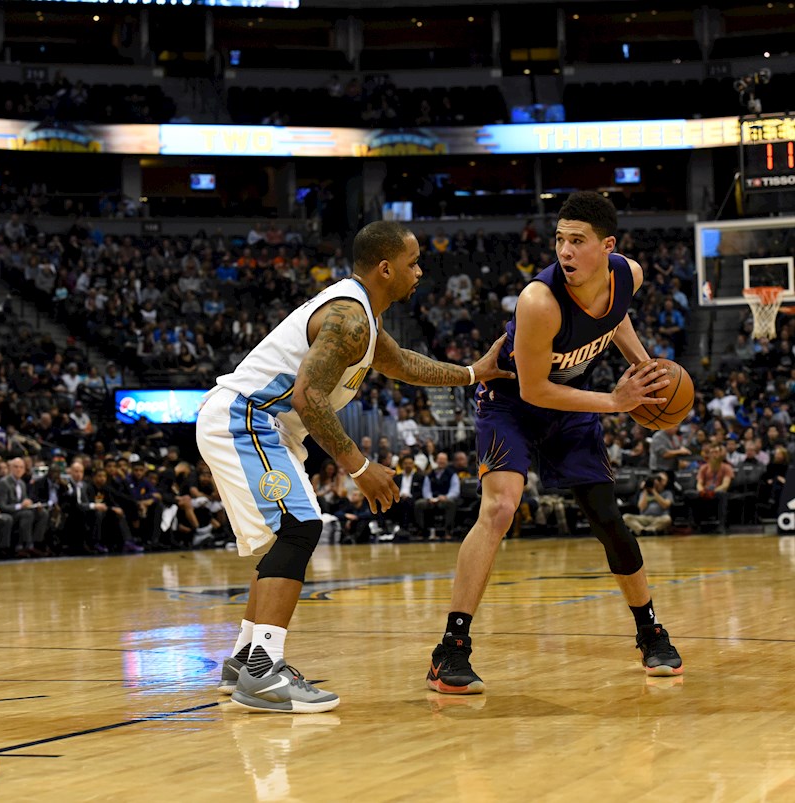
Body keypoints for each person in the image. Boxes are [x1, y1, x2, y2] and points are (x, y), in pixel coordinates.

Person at [197, 220, 513, 713]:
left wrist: (474, 371)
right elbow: (308, 395)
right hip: (248, 418)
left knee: (285, 536)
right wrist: (360, 467)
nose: (420, 271)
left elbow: (405, 365)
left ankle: (244, 660)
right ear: (385, 268)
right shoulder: (349, 317)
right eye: (413, 263)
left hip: (260, 424)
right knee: (299, 526)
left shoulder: (363, 315)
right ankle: (263, 669)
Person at [427, 191, 683, 697]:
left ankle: (650, 632)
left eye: (578, 241)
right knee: (499, 510)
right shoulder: (538, 301)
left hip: (569, 405)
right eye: (560, 240)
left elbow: (617, 314)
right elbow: (533, 389)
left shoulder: (627, 274)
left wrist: (644, 368)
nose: (565, 251)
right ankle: (450, 651)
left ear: (606, 247)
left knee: (608, 518)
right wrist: (616, 401)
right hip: (512, 403)